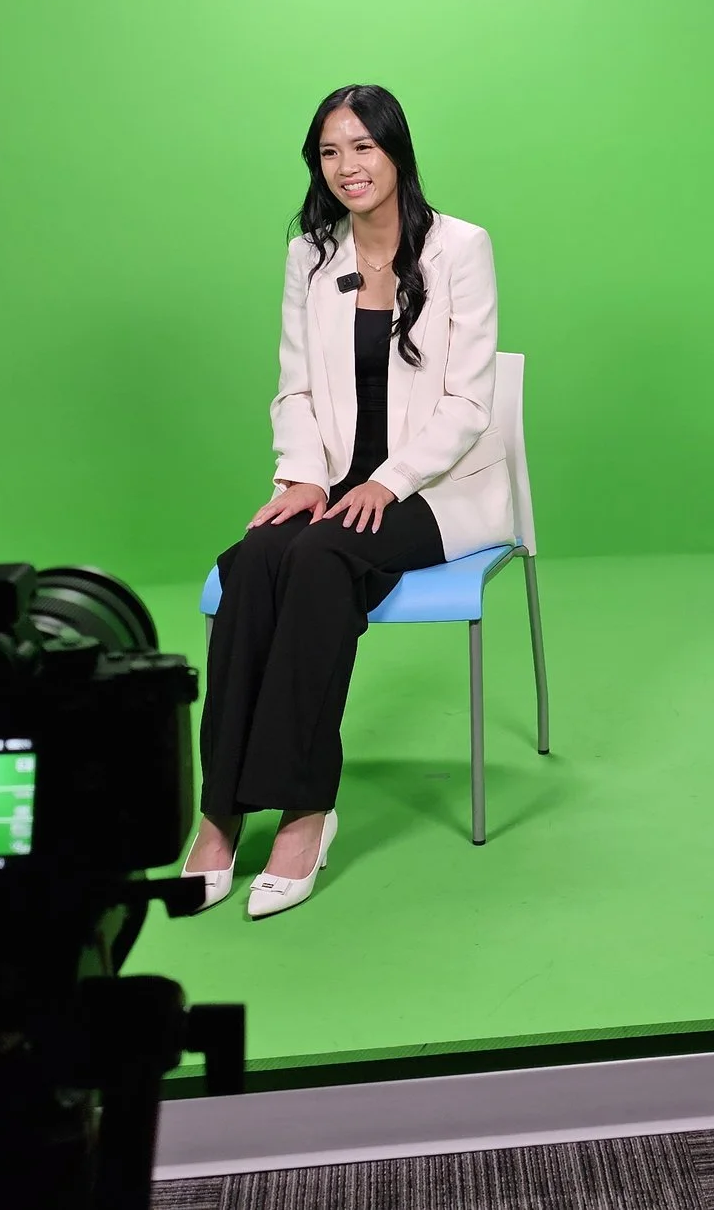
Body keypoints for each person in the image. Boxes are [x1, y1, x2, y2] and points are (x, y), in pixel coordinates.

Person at [180, 85, 514, 919]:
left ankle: (305, 812)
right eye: (330, 151)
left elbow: (468, 403)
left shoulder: (460, 247)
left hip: (433, 486)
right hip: (331, 482)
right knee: (258, 557)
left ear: (395, 151)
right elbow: (294, 386)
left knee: (322, 558)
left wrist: (386, 481)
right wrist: (302, 476)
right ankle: (220, 813)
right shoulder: (310, 253)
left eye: (362, 146)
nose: (347, 166)